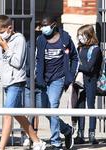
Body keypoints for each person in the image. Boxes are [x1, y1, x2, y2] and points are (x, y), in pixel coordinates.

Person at [0, 14, 46, 150]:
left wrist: (6, 47)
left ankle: (1, 148)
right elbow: (0, 63)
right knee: (19, 115)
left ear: (10, 28)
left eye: (3, 32)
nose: (1, 35)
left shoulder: (19, 39)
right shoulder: (2, 41)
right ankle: (38, 142)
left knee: (7, 114)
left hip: (17, 82)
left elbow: (18, 62)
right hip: (7, 82)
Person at [35, 12, 79, 150]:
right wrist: (37, 74)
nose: (43, 28)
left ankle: (55, 142)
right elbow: (37, 58)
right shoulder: (41, 40)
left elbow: (75, 57)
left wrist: (70, 75)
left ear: (53, 25)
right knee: (46, 111)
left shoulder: (65, 39)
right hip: (44, 80)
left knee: (53, 108)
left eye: (45, 25)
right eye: (41, 25)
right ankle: (66, 130)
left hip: (58, 79)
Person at [72, 24, 101, 145]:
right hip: (80, 81)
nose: (80, 37)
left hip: (90, 80)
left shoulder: (95, 49)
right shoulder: (80, 49)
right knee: (80, 106)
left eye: (82, 35)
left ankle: (92, 134)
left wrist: (78, 67)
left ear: (89, 35)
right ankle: (80, 133)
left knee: (91, 106)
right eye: (79, 35)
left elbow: (89, 68)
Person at [21, 21, 42, 146]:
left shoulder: (44, 45)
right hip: (28, 82)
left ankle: (35, 136)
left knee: (36, 111)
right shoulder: (27, 45)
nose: (39, 31)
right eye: (37, 29)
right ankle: (25, 136)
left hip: (40, 83)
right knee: (27, 110)